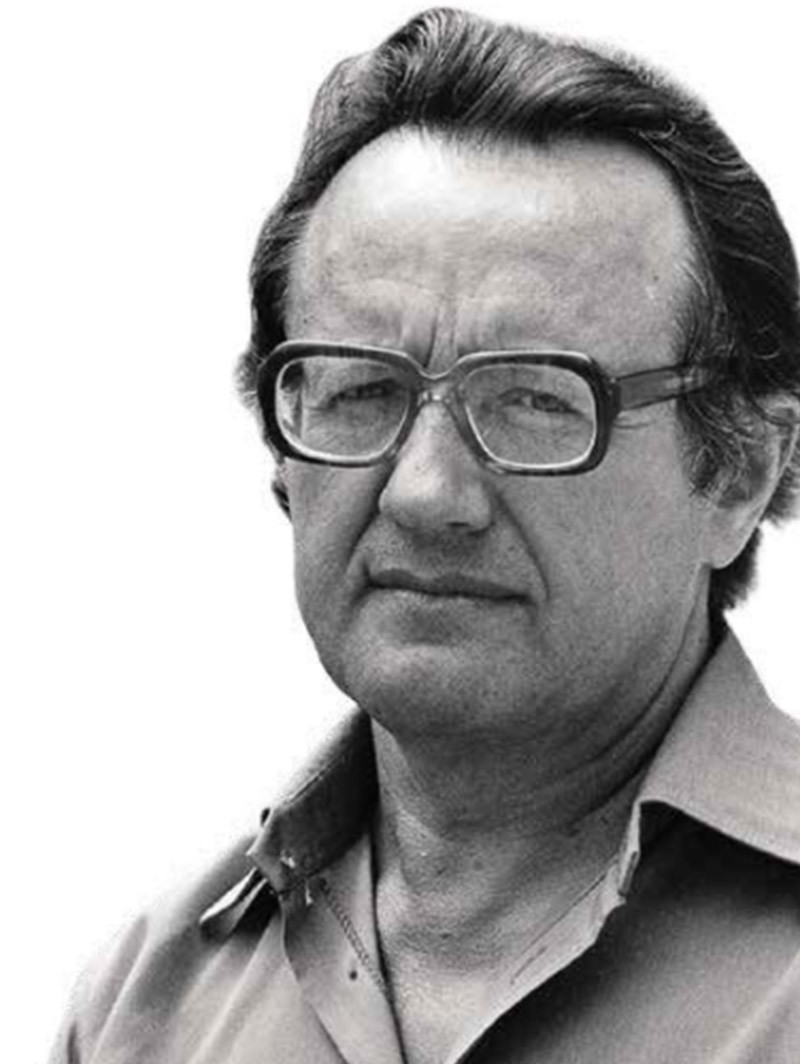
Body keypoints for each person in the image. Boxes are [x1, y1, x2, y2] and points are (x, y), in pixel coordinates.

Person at [50, 8, 800, 1063]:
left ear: (736, 471)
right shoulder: (148, 1010)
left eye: (534, 399)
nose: (425, 492)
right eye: (360, 391)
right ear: (283, 453)